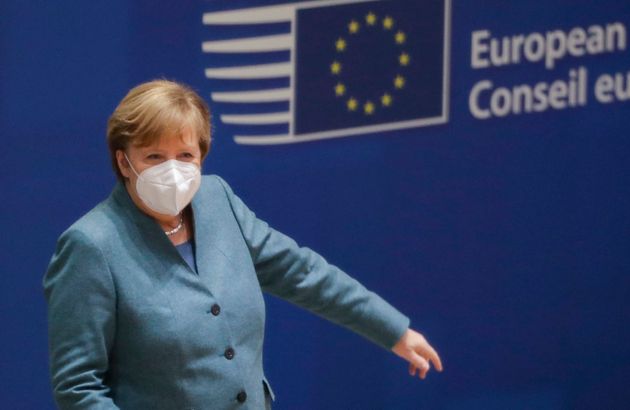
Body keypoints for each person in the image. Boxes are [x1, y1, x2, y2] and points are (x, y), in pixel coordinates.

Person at [43, 79, 443, 410]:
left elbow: (301, 272)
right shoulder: (91, 246)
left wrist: (393, 330)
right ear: (123, 161)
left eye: (186, 154)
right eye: (153, 156)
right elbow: (79, 388)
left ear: (202, 156)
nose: (173, 170)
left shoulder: (217, 200)